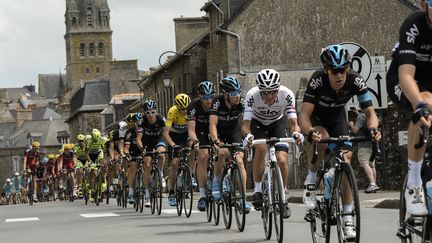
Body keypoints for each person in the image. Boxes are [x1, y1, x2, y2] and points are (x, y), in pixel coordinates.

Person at [299, 44, 381, 239]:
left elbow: (370, 113)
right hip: (317, 119)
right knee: (322, 138)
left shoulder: (356, 81)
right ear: (327, 71)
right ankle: (311, 180)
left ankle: (347, 217)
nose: (339, 75)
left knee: (346, 160)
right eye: (334, 71)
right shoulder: (317, 80)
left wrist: (373, 129)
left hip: (338, 119)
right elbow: (304, 115)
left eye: (343, 70)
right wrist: (309, 131)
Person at [386, 0, 432, 216]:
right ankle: (414, 183)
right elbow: (406, 75)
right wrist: (419, 105)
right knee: (425, 103)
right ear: (424, 6)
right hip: (402, 79)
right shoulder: (414, 25)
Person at [242, 69, 303, 218]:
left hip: (277, 123)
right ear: (259, 91)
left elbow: (294, 122)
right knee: (261, 148)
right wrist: (248, 136)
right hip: (257, 124)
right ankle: (257, 189)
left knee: (282, 159)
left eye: (273, 92)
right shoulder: (251, 95)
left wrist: (296, 133)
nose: (269, 96)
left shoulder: (287, 94)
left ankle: (283, 195)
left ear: (278, 89)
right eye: (265, 92)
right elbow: (245, 124)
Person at [210, 76, 252, 213]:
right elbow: (213, 124)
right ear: (226, 94)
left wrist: (249, 136)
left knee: (239, 160)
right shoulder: (217, 102)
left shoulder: (242, 102)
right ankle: (216, 181)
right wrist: (216, 140)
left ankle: (243, 198)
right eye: (234, 94)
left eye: (239, 92)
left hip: (234, 131)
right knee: (222, 153)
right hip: (220, 132)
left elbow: (248, 122)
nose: (237, 96)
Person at [187, 81, 215, 211]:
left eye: (211, 96)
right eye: (205, 97)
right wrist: (195, 141)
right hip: (200, 131)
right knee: (203, 156)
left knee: (223, 151)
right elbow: (191, 129)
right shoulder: (193, 106)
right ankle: (203, 195)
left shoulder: (217, 103)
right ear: (200, 96)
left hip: (215, 129)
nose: (209, 100)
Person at [136, 100, 167, 208]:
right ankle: (147, 195)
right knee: (147, 165)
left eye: (153, 112)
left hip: (158, 139)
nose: (150, 115)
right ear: (144, 113)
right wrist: (141, 148)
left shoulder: (161, 119)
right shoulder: (141, 122)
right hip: (146, 141)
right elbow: (139, 139)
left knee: (162, 154)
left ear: (156, 111)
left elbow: (166, 133)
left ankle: (160, 174)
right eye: (148, 113)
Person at [163, 93, 191, 207]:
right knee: (174, 163)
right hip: (173, 136)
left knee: (194, 147)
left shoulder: (191, 110)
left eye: (186, 108)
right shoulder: (172, 111)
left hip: (186, 134)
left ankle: (191, 176)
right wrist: (173, 145)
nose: (185, 111)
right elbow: (166, 133)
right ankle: (171, 192)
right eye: (182, 109)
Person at [348, 109, 380, 193]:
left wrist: (351, 125)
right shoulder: (373, 115)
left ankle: (372, 184)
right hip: (373, 144)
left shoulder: (361, 116)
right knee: (371, 164)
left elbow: (355, 130)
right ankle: (374, 184)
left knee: (364, 163)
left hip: (363, 145)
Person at [123, 112, 144, 204]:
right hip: (133, 151)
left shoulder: (145, 130)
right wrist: (128, 155)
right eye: (135, 122)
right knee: (132, 166)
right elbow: (126, 148)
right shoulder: (130, 132)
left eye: (139, 122)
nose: (137, 124)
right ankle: (131, 192)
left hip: (143, 149)